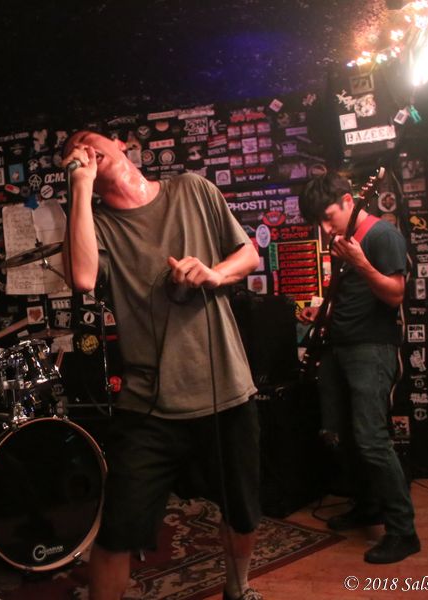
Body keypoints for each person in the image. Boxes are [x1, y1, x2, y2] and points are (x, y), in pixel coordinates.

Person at [62, 131, 263, 600]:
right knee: (117, 530)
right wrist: (80, 187)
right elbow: (83, 277)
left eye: (91, 139)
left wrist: (214, 274)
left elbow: (249, 254)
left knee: (243, 512)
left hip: (225, 388)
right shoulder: (96, 224)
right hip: (148, 406)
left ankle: (238, 588)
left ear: (120, 143)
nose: (85, 149)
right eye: (73, 149)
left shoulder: (192, 189)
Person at [297, 172, 419, 564]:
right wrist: (323, 313)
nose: (324, 227)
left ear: (348, 201)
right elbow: (353, 295)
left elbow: (394, 294)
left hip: (371, 348)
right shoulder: (345, 238)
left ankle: (403, 532)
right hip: (340, 346)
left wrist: (361, 262)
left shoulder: (382, 235)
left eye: (327, 216)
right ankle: (368, 507)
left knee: (371, 438)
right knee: (345, 435)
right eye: (317, 221)